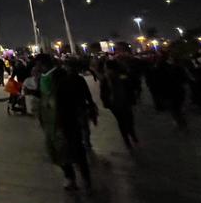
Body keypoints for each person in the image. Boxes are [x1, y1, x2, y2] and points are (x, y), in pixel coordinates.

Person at [35, 56, 91, 191]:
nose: (36, 68)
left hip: (66, 120)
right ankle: (70, 175)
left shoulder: (62, 77)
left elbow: (73, 98)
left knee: (75, 148)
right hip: (51, 121)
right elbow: (43, 96)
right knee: (56, 149)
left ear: (44, 64)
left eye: (38, 65)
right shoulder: (43, 78)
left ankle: (84, 176)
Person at [100, 59, 139, 148]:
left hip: (123, 102)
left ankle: (131, 135)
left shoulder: (121, 76)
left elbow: (130, 88)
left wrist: (132, 100)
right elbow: (103, 93)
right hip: (115, 104)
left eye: (106, 67)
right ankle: (128, 138)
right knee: (123, 120)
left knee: (127, 119)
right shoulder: (106, 79)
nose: (105, 69)